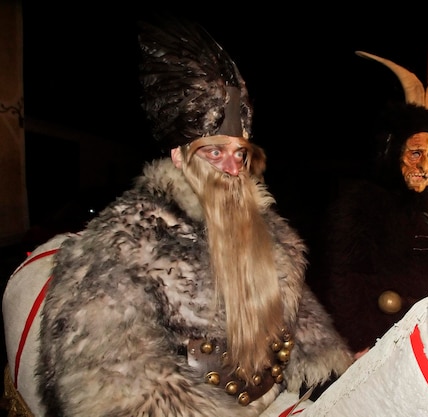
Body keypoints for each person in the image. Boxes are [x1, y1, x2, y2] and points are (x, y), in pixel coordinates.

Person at [34, 16, 353, 416]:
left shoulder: (271, 234)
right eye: (214, 152)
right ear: (179, 156)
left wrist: (334, 369)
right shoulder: (126, 240)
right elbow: (111, 377)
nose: (232, 168)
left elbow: (297, 319)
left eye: (239, 153)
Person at [310, 51, 428, 354]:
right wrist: (359, 339)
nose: (424, 166)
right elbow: (346, 278)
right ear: (394, 152)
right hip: (380, 331)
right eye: (415, 153)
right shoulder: (361, 204)